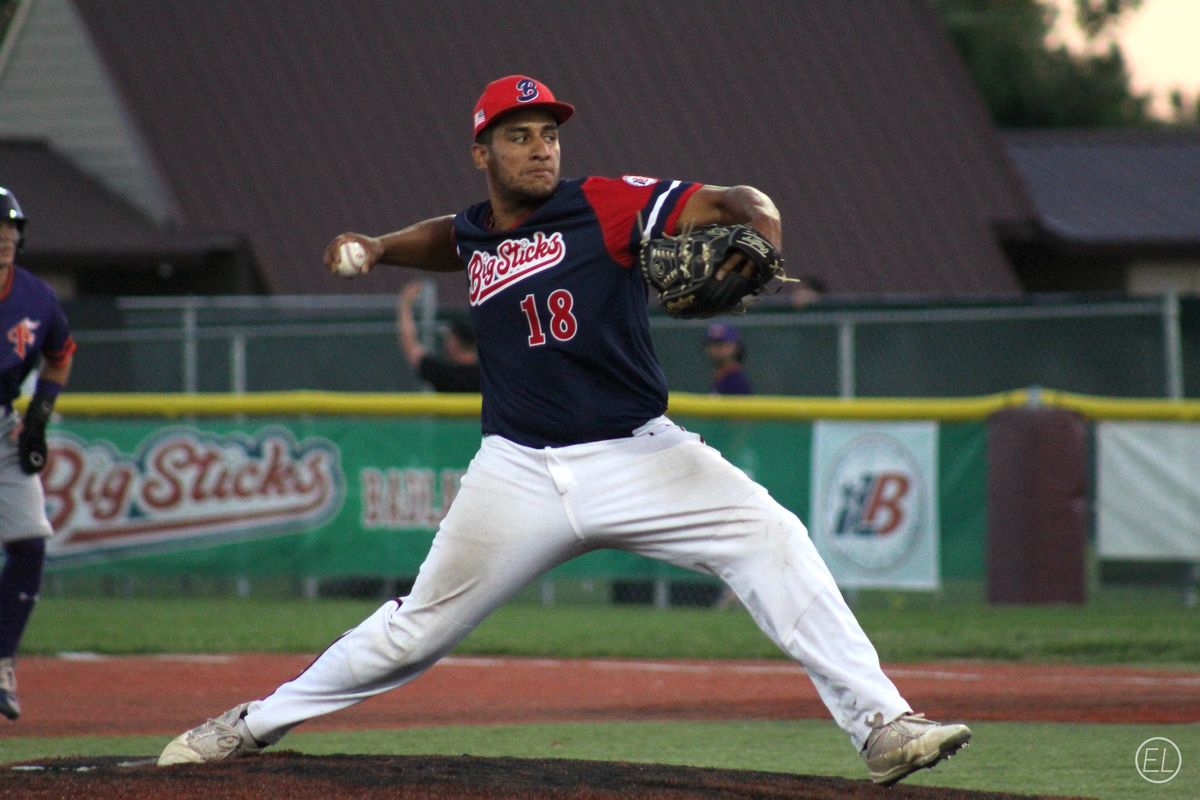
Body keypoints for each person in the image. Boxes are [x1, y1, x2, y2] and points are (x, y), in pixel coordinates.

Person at [158, 75, 971, 786]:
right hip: (516, 472)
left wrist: (765, 234)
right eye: (520, 137)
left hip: (639, 453)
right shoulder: (477, 229)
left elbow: (735, 202)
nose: (541, 149)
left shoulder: (606, 202)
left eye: (548, 134)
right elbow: (449, 237)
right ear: (483, 152)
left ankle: (881, 728)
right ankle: (252, 723)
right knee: (414, 633)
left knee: (772, 538)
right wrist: (376, 248)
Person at [0, 187, 76, 721]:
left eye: (11, 230)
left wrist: (38, 420)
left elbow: (60, 355)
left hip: (3, 423)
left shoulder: (36, 298)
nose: (4, 238)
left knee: (30, 543)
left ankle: (1, 662)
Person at [395, 280, 481, 392]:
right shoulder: (487, 373)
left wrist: (405, 303)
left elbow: (411, 347)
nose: (445, 342)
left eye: (449, 338)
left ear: (456, 342)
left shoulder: (445, 373)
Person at [704, 322, 751, 395]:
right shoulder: (722, 377)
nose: (713, 348)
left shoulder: (735, 381)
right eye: (710, 344)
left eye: (719, 344)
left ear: (735, 347)